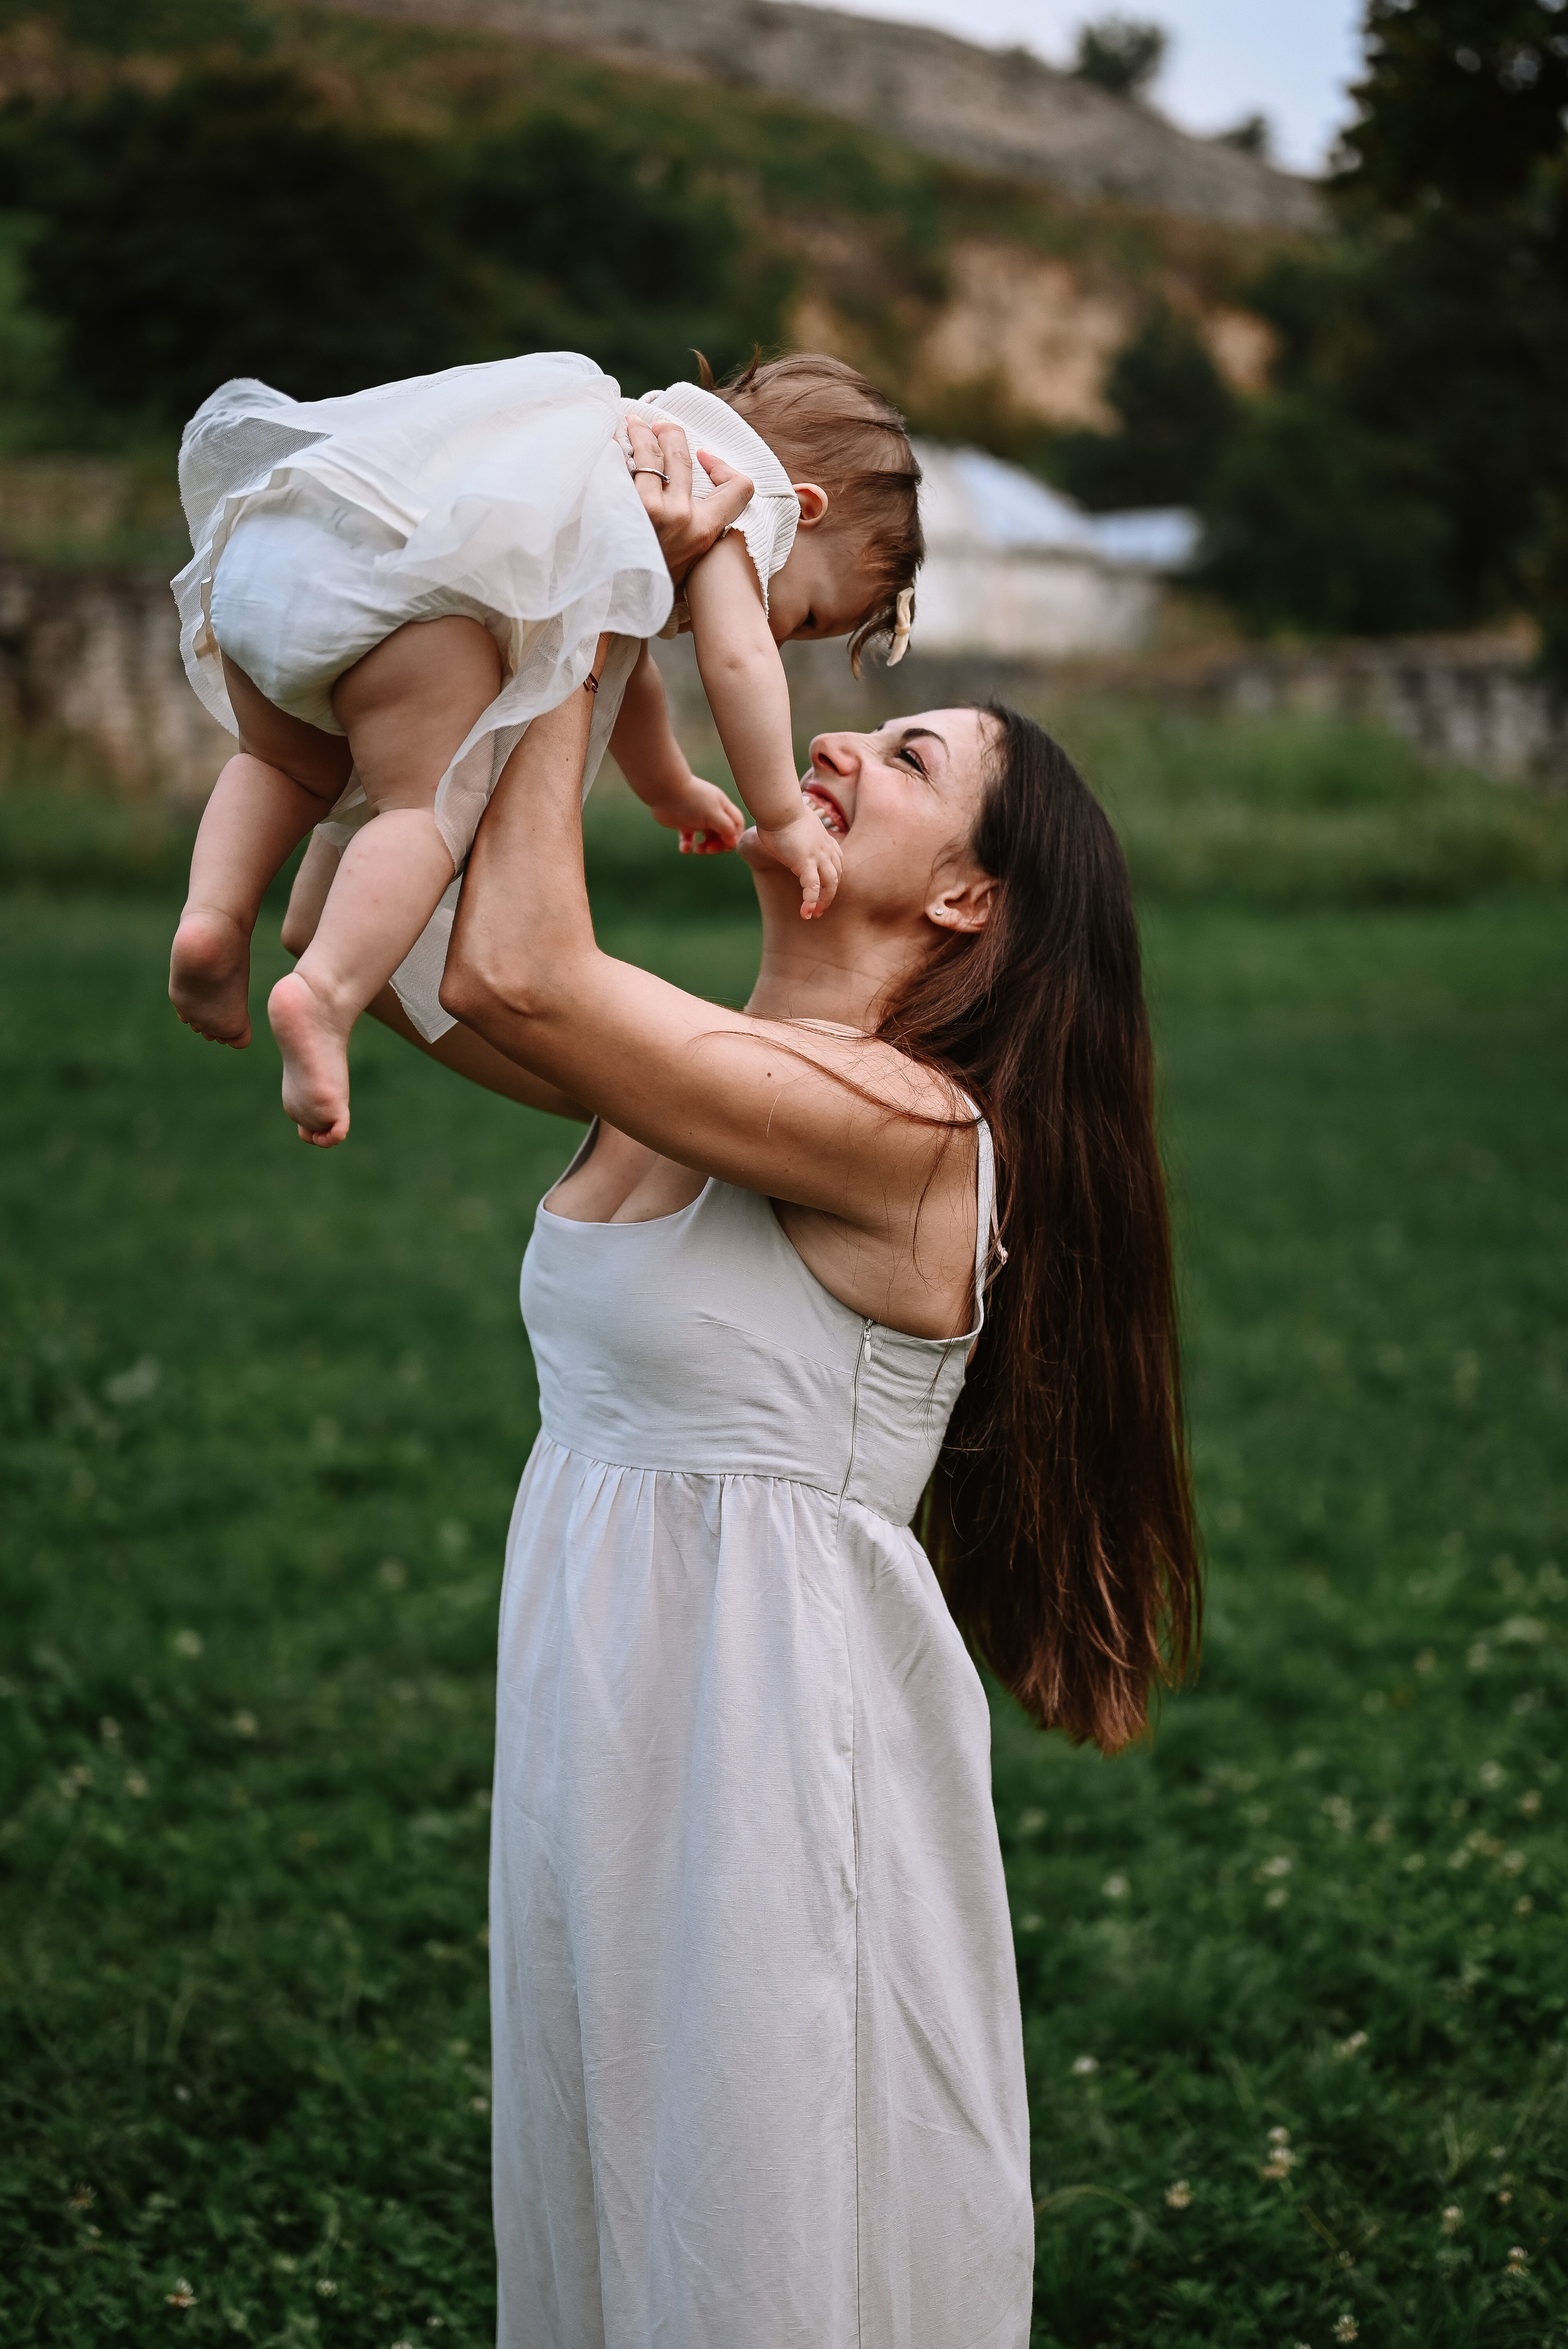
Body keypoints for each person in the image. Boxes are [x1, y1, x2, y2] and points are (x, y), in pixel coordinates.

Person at [298, 445, 1200, 2332]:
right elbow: (415, 969)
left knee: (760, 2238)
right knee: (624, 2211)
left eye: (918, 761)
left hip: (771, 1763)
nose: (848, 745)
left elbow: (527, 968)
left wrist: (596, 593)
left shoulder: (909, 1131)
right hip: (608, 1723)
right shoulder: (713, 1067)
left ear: (964, 903)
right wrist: (396, 662)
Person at [166, 350, 922, 1144]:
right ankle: (322, 994)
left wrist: (667, 787)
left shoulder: (639, 431)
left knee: (283, 765)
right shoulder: (737, 494)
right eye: (804, 616)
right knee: (423, 807)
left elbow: (624, 662)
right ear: (803, 507)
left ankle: (213, 920)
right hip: (407, 601)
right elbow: (740, 662)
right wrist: (783, 813)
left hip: (278, 546)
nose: (779, 629)